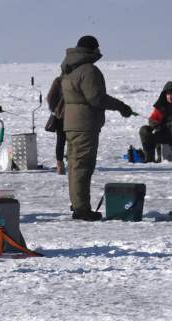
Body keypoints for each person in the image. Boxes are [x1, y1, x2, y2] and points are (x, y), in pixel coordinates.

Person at [61, 35, 135, 221]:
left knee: (75, 166)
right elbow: (96, 98)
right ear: (92, 50)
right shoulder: (89, 70)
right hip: (85, 125)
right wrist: (121, 106)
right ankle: (81, 209)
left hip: (71, 124)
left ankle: (78, 205)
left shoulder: (69, 68)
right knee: (83, 167)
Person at [46, 75, 66, 174]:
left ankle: (60, 165)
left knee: (60, 140)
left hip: (61, 116)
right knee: (73, 140)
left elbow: (50, 98)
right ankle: (68, 163)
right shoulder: (77, 80)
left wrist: (55, 110)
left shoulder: (59, 80)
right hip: (73, 116)